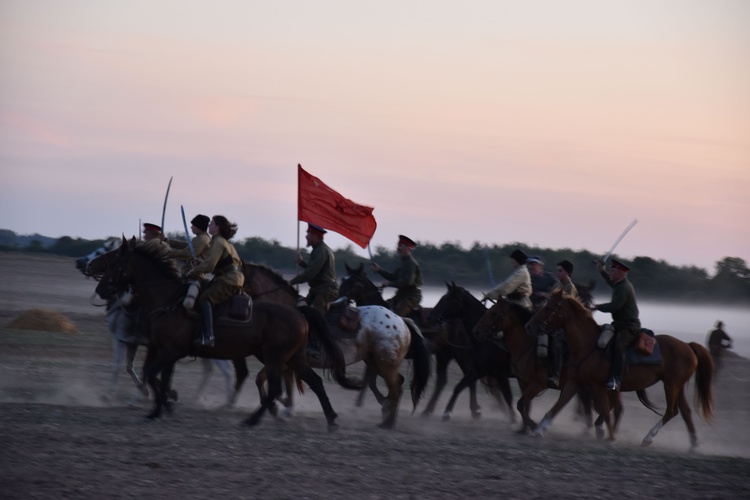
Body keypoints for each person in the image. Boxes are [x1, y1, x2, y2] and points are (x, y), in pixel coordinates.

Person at [186, 216, 245, 346]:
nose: (209, 226)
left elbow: (210, 266)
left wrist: (193, 271)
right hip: (232, 277)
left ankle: (209, 336)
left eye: (212, 223)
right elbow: (216, 263)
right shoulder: (223, 242)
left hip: (229, 279)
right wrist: (201, 263)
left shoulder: (218, 242)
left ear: (217, 227)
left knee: (204, 298)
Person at [594, 258, 640, 391]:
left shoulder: (624, 287)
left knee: (619, 346)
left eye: (612, 270)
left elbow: (615, 306)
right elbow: (610, 281)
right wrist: (602, 271)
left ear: (620, 272)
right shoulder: (620, 284)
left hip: (629, 326)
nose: (610, 272)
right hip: (619, 324)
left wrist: (597, 307)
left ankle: (616, 379)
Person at [289, 223, 339, 315]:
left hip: (325, 290)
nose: (306, 237)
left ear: (315, 236)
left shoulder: (320, 251)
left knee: (314, 314)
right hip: (318, 289)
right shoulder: (319, 249)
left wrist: (290, 283)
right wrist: (302, 263)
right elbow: (315, 269)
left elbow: (310, 273)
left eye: (308, 234)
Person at [371, 235, 423, 316]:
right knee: (384, 309)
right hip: (401, 295)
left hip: (411, 296)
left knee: (396, 316)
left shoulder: (410, 263)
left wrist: (389, 284)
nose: (398, 248)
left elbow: (407, 282)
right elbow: (393, 277)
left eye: (401, 246)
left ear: (408, 248)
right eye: (398, 245)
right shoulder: (404, 263)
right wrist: (379, 270)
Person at [546, 259, 578, 388]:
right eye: (557, 271)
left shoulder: (570, 287)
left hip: (566, 324)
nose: (558, 273)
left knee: (557, 342)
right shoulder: (558, 284)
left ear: (567, 273)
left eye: (560, 271)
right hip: (555, 321)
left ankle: (556, 375)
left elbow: (565, 308)